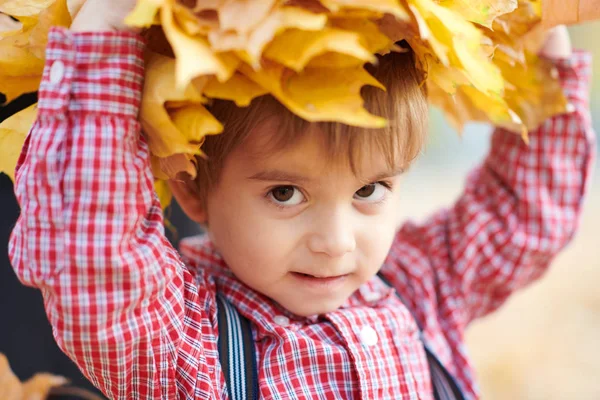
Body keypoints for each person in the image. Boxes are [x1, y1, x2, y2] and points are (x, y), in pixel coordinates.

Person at [8, 0, 596, 399]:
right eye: (285, 193)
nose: (336, 242)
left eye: (369, 190)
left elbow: (519, 218)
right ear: (190, 185)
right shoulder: (183, 343)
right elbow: (92, 255)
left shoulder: (418, 286)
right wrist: (104, 38)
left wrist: (545, 49)